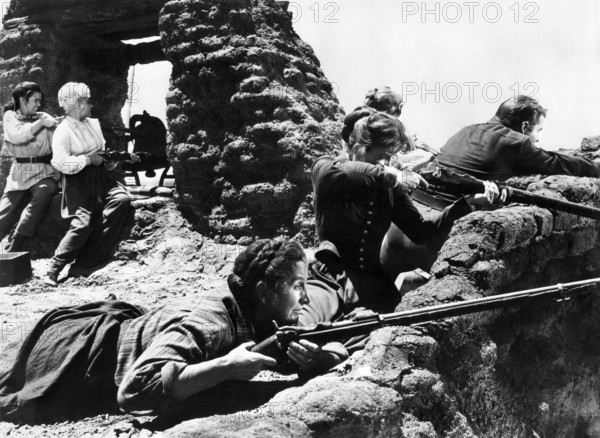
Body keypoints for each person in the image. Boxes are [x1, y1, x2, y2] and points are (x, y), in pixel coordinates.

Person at [0, 239, 348, 424]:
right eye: (298, 286)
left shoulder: (260, 316)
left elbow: (335, 346)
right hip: (82, 356)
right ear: (266, 292)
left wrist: (314, 358)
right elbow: (134, 392)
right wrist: (227, 366)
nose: (305, 296)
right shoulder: (210, 324)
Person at [310, 111, 500, 313]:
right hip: (330, 279)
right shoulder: (326, 168)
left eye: (390, 158)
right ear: (358, 147)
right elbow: (348, 173)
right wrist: (396, 176)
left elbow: (422, 231)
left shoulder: (390, 184)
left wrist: (467, 203)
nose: (386, 164)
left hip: (373, 285)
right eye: (382, 157)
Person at [44, 82, 139, 287]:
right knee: (83, 222)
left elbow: (101, 153)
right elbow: (60, 163)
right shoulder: (63, 131)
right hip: (78, 181)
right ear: (78, 104)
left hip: (102, 178)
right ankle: (54, 268)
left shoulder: (92, 124)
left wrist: (110, 162)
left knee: (121, 199)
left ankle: (88, 260)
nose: (91, 105)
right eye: (87, 101)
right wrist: (87, 160)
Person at [437, 95, 600, 181]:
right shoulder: (517, 143)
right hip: (453, 214)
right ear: (524, 127)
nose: (537, 139)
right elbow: (559, 163)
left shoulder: (466, 129)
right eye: (539, 130)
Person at [0, 82, 60, 252]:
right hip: (19, 174)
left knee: (45, 190)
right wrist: (42, 123)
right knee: (3, 215)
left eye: (40, 101)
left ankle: (17, 241)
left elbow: (57, 144)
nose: (39, 104)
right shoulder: (10, 116)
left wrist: (58, 127)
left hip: (42, 171)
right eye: (35, 100)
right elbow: (18, 135)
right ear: (22, 99)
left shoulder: (42, 116)